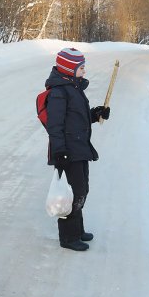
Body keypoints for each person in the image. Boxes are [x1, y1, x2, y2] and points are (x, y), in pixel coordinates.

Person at [45, 47, 110, 251]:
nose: (85, 71)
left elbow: (77, 118)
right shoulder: (58, 92)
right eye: (81, 68)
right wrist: (59, 151)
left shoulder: (74, 88)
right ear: (69, 69)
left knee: (82, 190)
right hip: (67, 152)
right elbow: (55, 126)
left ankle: (77, 229)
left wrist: (96, 113)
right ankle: (68, 237)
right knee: (72, 193)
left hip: (79, 148)